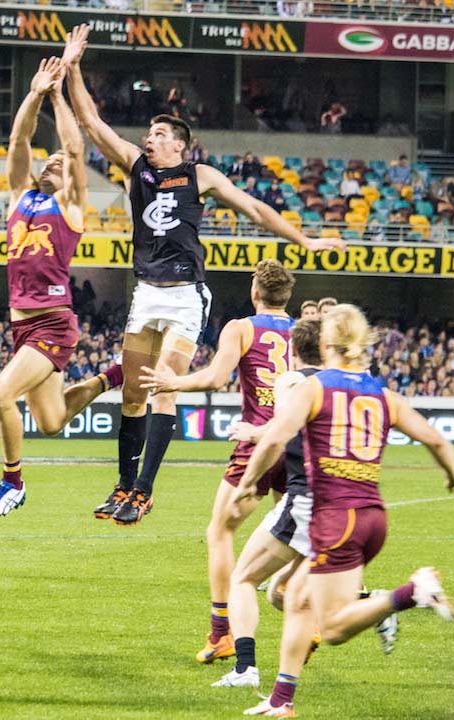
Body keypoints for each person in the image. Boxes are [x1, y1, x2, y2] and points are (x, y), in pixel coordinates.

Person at [63, 24, 342, 525]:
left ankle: (144, 491)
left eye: (159, 134)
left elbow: (256, 209)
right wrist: (74, 65)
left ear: (180, 146)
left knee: (163, 385)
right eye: (149, 133)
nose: (148, 138)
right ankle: (124, 487)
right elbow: (90, 122)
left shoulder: (201, 177)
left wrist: (305, 240)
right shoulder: (136, 167)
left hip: (186, 295)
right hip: (146, 292)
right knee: (132, 391)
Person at [231, 304, 454, 717]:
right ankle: (280, 700)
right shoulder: (384, 394)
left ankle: (410, 593)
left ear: (326, 343)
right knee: (295, 601)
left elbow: (273, 440)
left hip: (334, 518)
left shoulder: (314, 387)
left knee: (334, 627)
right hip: (372, 517)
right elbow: (433, 438)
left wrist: (249, 482)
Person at [211, 318, 396, 690]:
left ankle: (246, 668)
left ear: (295, 350)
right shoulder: (345, 386)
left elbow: (283, 431)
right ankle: (371, 603)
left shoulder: (298, 383)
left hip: (308, 502)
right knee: (286, 594)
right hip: (344, 503)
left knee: (243, 579)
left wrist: (253, 442)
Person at [0, 57, 123, 518]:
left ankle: (12, 482)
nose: (52, 163)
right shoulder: (21, 197)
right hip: (24, 328)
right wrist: (35, 92)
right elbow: (20, 138)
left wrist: (59, 96)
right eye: (50, 161)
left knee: (0, 396)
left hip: (52, 323)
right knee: (51, 421)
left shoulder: (72, 208)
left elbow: (75, 149)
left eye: (58, 165)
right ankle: (111, 377)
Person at [140, 260, 300, 665]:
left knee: (220, 531)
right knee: (296, 536)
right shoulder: (304, 332)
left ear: (255, 293)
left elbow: (214, 378)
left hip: (257, 445)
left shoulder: (241, 328)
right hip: (298, 445)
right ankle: (310, 615)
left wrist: (174, 382)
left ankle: (221, 632)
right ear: (288, 296)